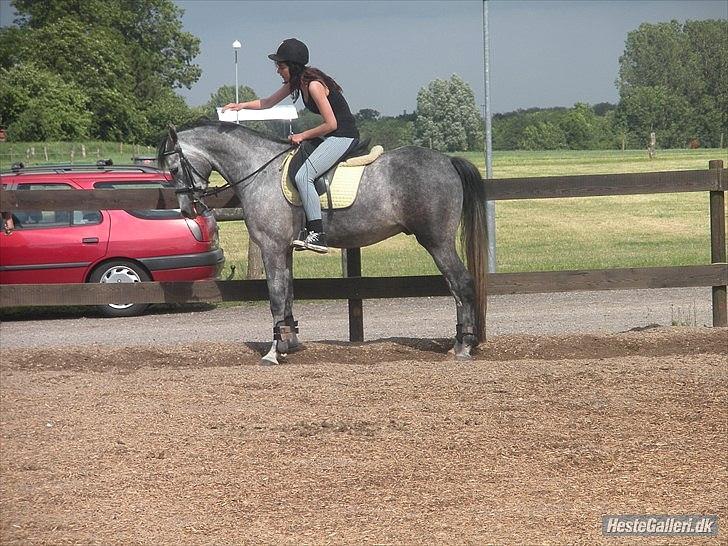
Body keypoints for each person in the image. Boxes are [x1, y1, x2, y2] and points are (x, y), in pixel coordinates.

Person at [223, 38, 359, 254]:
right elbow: (267, 103)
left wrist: (302, 135)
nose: (278, 70)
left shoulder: (313, 85)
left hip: (343, 137)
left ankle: (317, 233)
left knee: (303, 176)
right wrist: (240, 107)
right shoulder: (297, 83)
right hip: (331, 136)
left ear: (293, 66)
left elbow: (331, 123)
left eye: (281, 66)